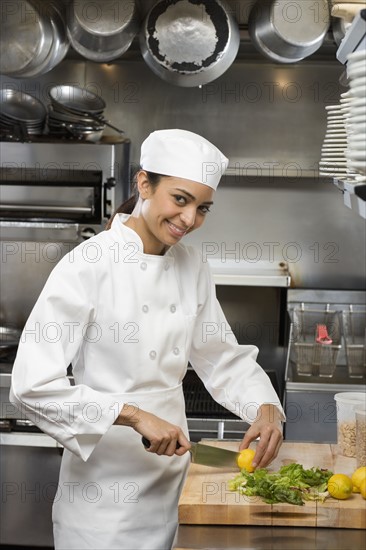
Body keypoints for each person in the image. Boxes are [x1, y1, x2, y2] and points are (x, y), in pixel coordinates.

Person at [10, 129, 284, 550]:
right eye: (180, 199)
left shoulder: (192, 264)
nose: (190, 219)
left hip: (175, 485)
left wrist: (265, 409)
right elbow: (31, 388)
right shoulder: (87, 265)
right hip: (102, 503)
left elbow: (221, 356)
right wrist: (134, 415)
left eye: (203, 207)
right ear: (143, 184)